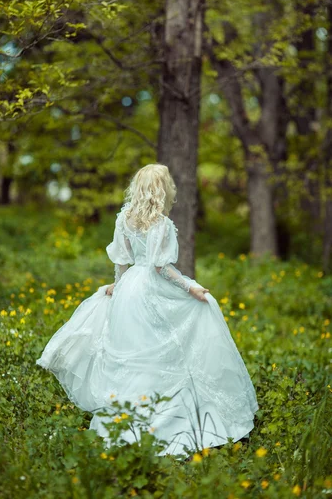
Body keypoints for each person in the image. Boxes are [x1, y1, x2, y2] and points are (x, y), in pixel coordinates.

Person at [36, 163, 258, 457]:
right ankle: (165, 423)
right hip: (150, 288)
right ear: (161, 189)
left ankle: (126, 425)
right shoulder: (162, 224)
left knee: (132, 352)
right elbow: (161, 267)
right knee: (169, 343)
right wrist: (189, 287)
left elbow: (121, 261)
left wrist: (118, 287)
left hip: (129, 288)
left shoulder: (124, 219)